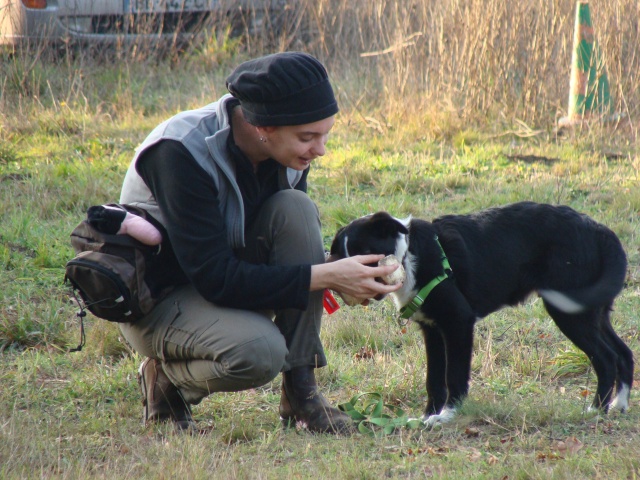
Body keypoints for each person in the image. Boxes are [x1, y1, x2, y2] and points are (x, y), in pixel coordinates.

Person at [118, 51, 402, 434]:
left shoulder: (287, 154)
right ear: (263, 127)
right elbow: (216, 278)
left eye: (325, 134)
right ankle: (167, 380)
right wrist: (327, 275)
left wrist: (349, 276)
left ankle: (302, 395)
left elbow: (288, 251)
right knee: (260, 352)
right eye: (308, 137)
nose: (320, 150)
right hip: (159, 300)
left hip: (225, 285)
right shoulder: (180, 151)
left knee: (296, 208)